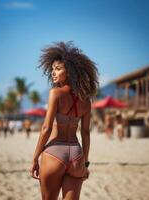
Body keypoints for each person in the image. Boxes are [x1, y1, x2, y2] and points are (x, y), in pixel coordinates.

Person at [30, 41, 98, 200]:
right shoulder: (86, 101)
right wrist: (85, 163)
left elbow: (46, 128)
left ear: (71, 72)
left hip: (55, 152)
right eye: (52, 69)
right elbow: (86, 133)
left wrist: (35, 158)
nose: (53, 73)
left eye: (58, 69)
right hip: (76, 154)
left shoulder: (56, 93)